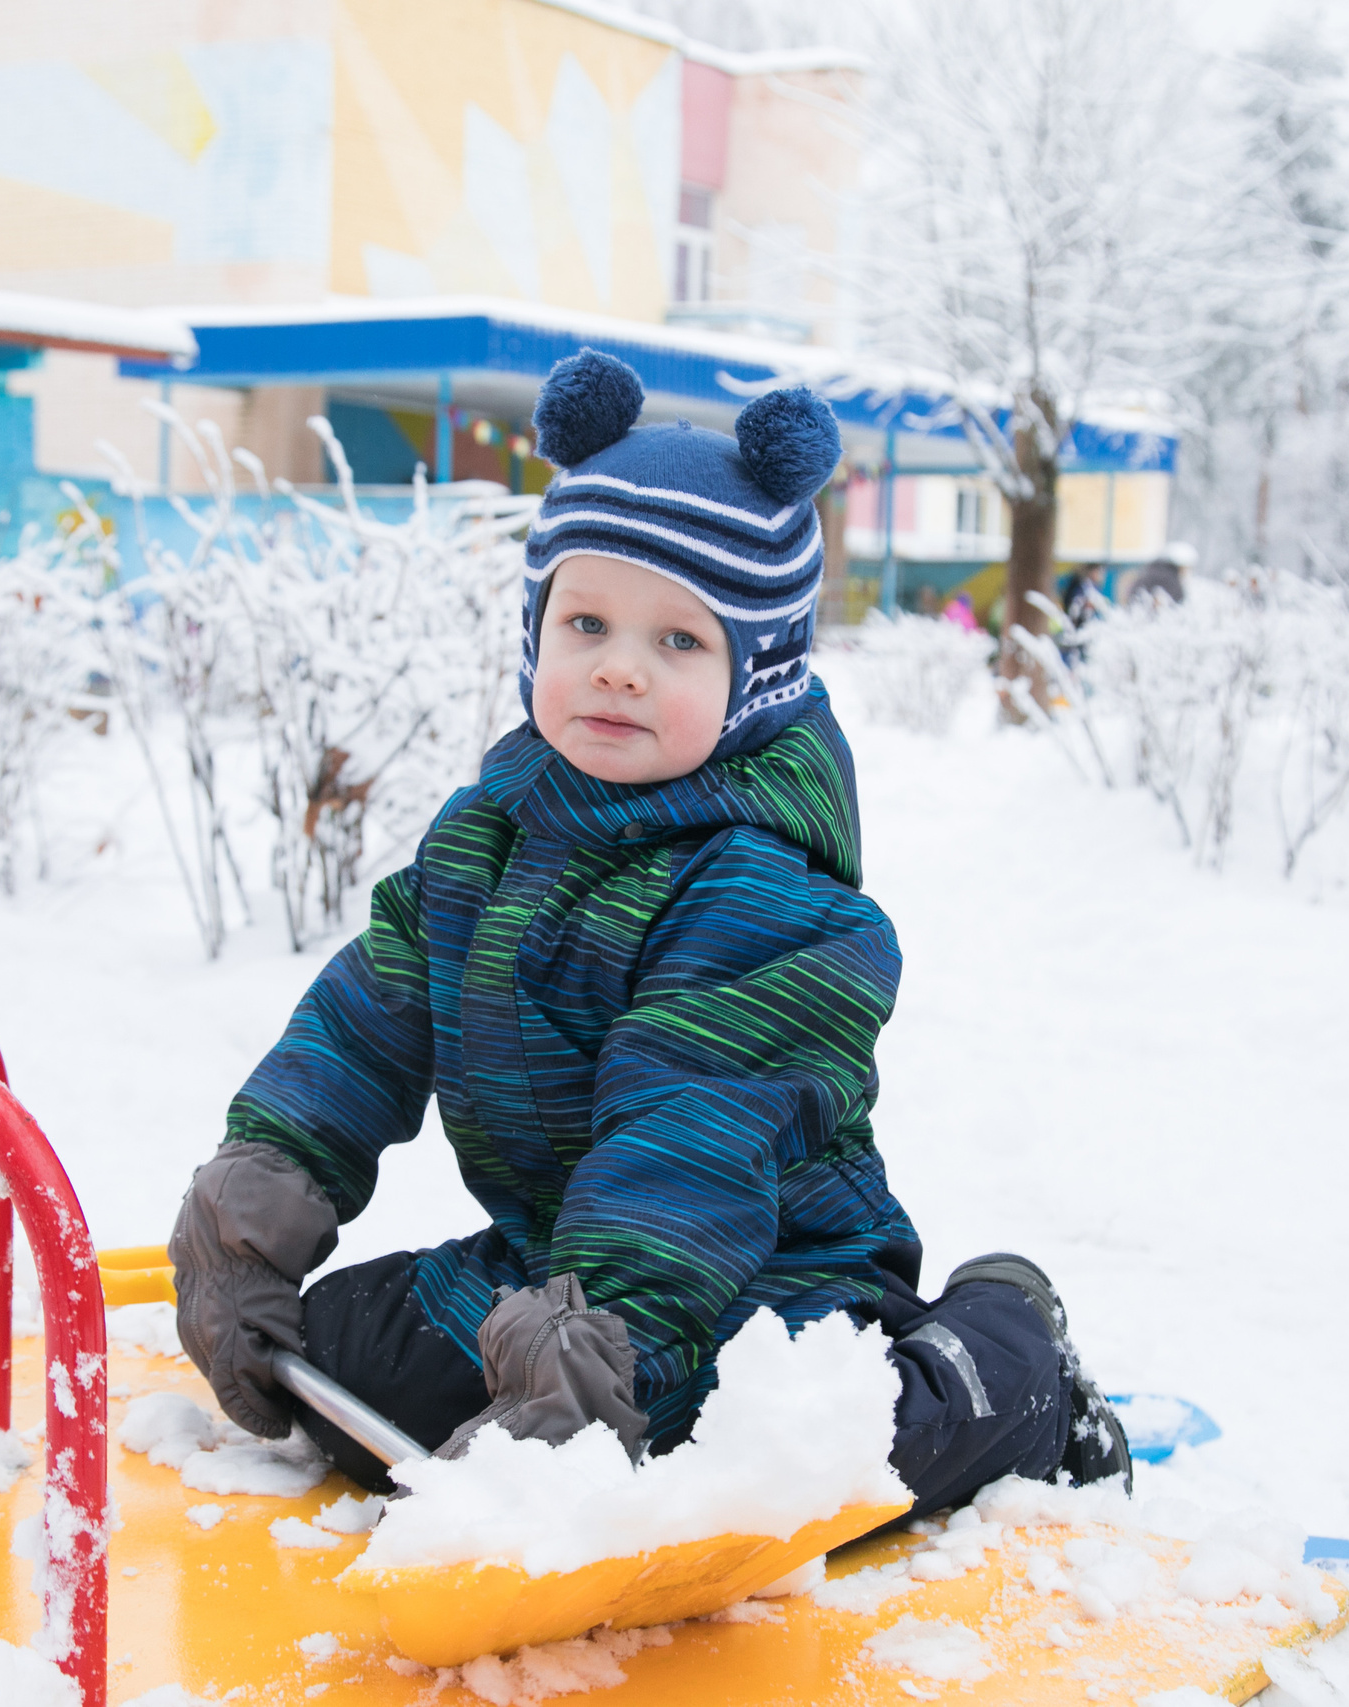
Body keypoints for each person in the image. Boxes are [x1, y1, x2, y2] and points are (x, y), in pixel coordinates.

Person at [167, 349, 1129, 1519]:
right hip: (564, 1272)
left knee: (765, 1460)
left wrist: (607, 1337)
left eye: (679, 642)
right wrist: (255, 1201)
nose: (619, 669)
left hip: (763, 1283)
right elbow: (367, 1020)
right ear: (539, 639)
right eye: (587, 622)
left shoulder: (767, 896)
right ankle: (571, 1360)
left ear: (756, 676)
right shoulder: (485, 843)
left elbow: (692, 1133)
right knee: (341, 1359)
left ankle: (1006, 1356)